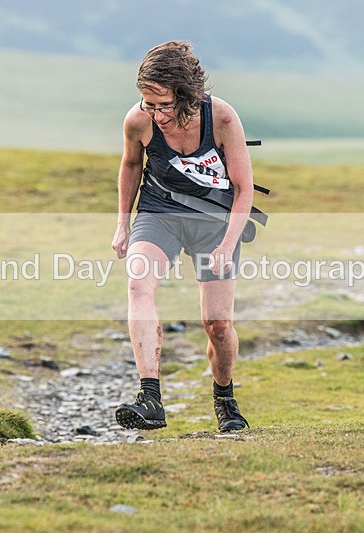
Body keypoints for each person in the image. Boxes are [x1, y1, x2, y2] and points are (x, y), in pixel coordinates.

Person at [111, 41, 254, 433]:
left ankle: (225, 399)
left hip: (214, 222)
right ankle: (150, 398)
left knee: (218, 324)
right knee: (139, 285)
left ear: (187, 95)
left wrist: (227, 246)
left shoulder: (222, 119)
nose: (154, 114)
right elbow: (130, 165)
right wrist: (123, 224)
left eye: (163, 104)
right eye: (147, 103)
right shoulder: (137, 121)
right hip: (160, 214)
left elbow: (244, 189)